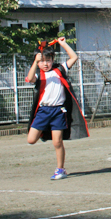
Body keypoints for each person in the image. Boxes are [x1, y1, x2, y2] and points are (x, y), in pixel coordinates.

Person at [26, 37, 89, 180]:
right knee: (31, 139)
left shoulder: (60, 69)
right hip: (43, 111)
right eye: (42, 61)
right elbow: (30, 79)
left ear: (53, 59)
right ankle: (45, 132)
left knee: (57, 142)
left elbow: (74, 57)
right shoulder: (39, 74)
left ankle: (60, 169)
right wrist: (35, 63)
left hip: (58, 111)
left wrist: (63, 43)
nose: (45, 63)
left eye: (48, 60)